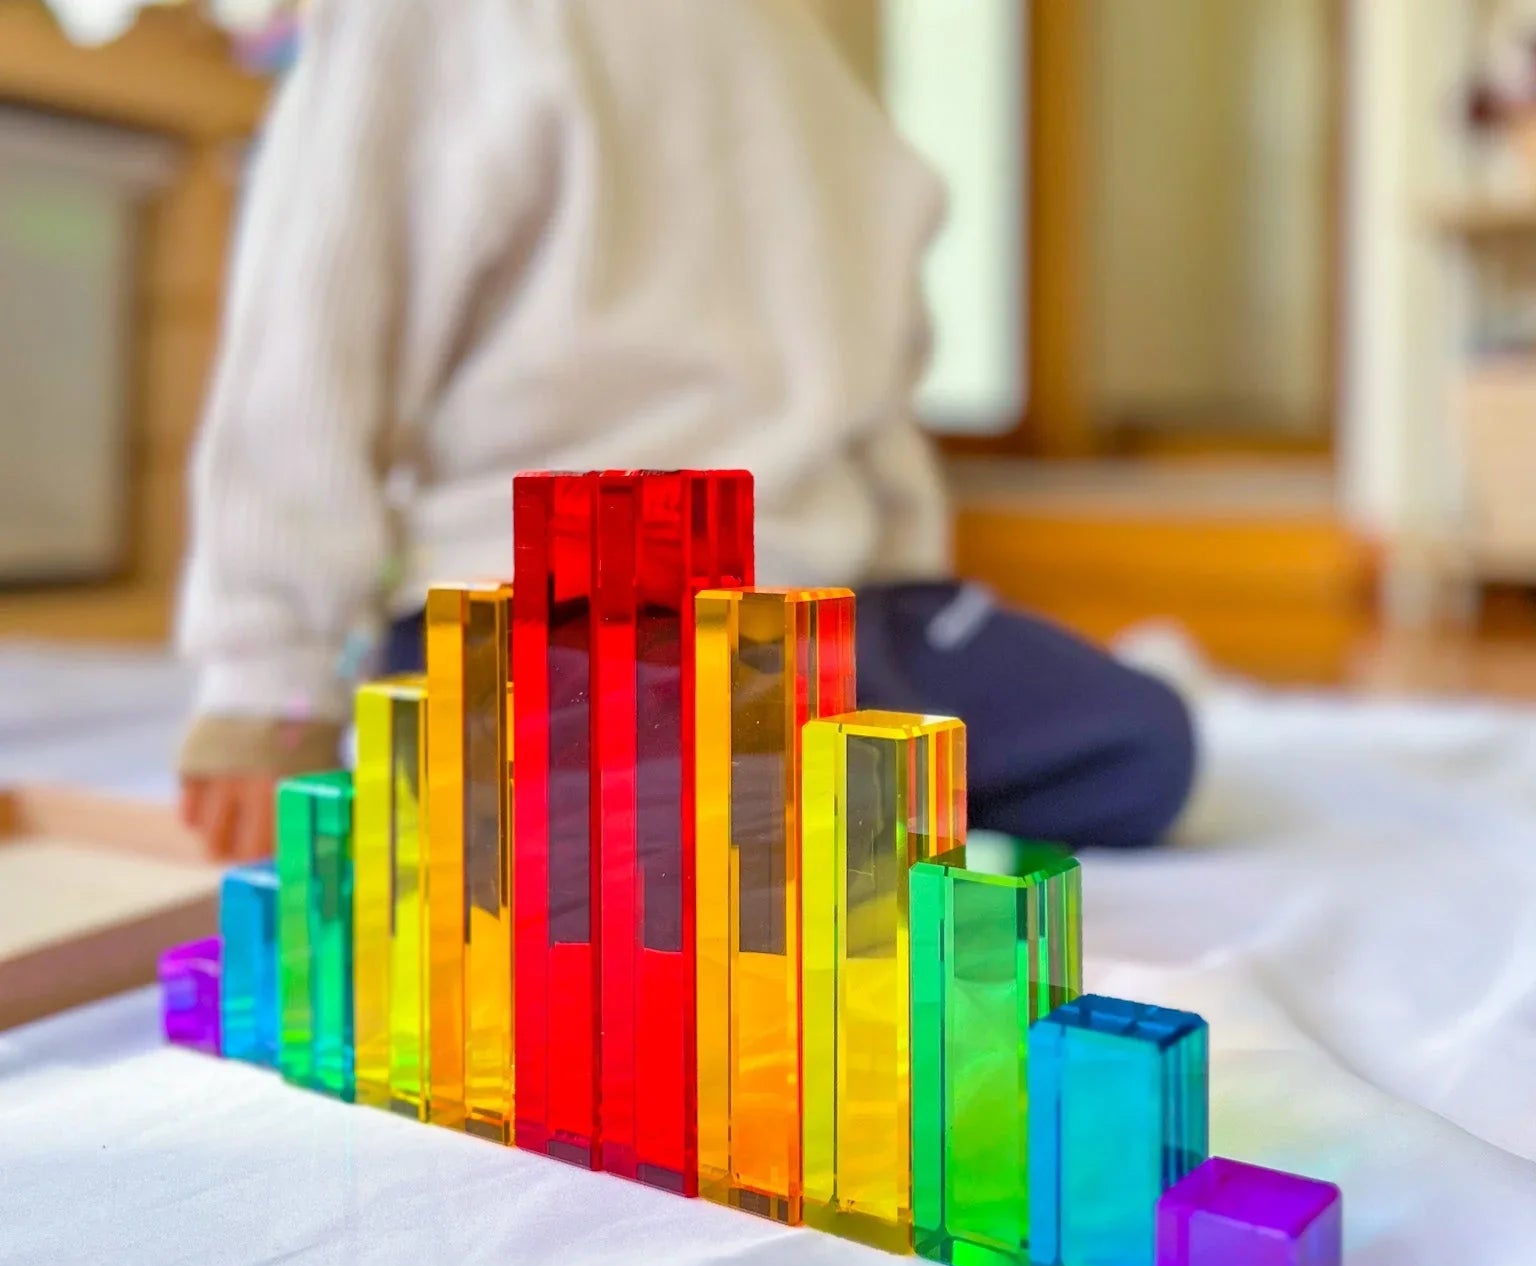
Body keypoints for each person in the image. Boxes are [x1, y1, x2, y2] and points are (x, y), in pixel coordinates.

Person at [178, 0, 1194, 862]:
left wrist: (269, 685)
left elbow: (303, 351)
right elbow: (884, 370)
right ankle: (783, 783)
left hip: (777, 620)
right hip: (570, 615)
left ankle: (764, 781)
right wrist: (274, 679)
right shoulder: (800, 45)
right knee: (1135, 744)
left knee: (1141, 744)